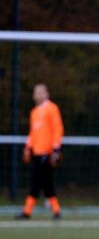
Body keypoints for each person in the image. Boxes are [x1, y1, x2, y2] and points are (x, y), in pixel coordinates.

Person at [16, 84, 64, 220]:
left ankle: (27, 211)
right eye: (36, 92)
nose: (38, 95)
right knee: (42, 182)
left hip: (47, 153)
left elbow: (57, 128)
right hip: (36, 153)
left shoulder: (52, 108)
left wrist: (56, 148)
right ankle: (55, 210)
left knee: (39, 182)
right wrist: (28, 146)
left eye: (41, 92)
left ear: (47, 94)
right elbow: (33, 133)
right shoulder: (34, 112)